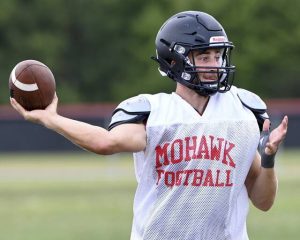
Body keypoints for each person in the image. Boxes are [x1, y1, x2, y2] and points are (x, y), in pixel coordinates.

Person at [10, 11, 288, 240]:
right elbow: (107, 142)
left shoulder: (241, 110)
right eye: (204, 57)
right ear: (173, 61)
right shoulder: (155, 111)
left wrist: (268, 158)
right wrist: (51, 119)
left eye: (218, 56)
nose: (215, 65)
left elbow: (263, 201)